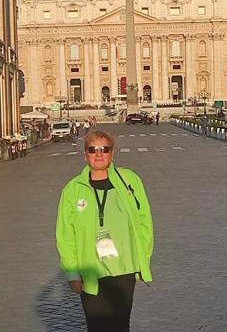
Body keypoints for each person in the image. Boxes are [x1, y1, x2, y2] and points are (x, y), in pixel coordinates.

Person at [56, 131, 154, 332]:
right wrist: (72, 273)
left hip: (123, 268)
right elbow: (65, 235)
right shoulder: (72, 190)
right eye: (93, 149)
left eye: (104, 149)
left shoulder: (130, 181)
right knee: (96, 326)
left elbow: (145, 222)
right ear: (85, 154)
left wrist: (142, 257)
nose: (98, 154)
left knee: (120, 324)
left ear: (112, 153)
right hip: (90, 269)